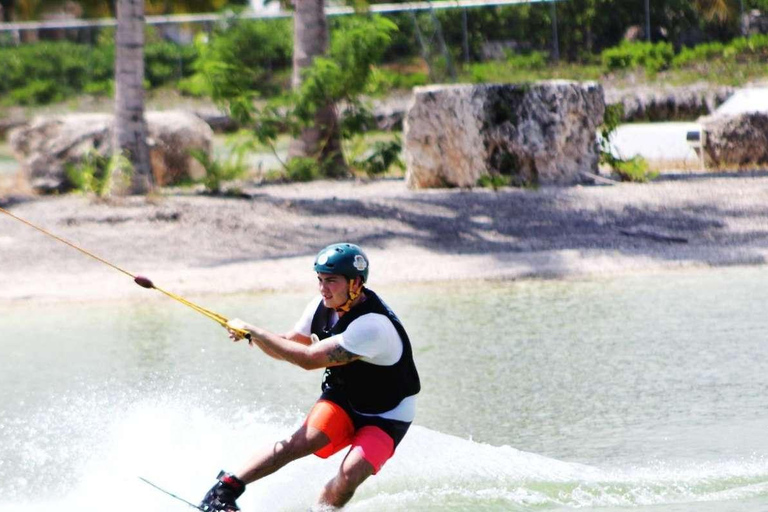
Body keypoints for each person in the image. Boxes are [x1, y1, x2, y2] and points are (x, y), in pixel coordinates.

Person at [199, 242, 421, 511]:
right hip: (344, 395)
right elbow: (289, 347)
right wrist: (252, 336)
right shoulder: (320, 307)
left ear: (355, 283)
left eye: (331, 281)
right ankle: (224, 490)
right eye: (319, 280)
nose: (322, 288)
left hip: (388, 414)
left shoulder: (372, 326)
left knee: (350, 475)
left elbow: (307, 360)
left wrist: (255, 331)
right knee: (301, 442)